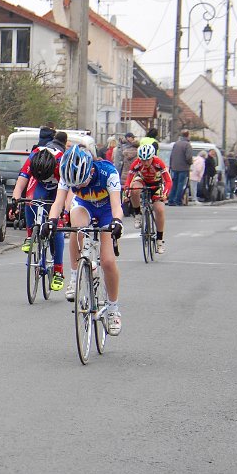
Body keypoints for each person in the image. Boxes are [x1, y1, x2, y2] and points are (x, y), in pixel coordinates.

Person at [41, 145, 124, 336]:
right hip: (84, 206)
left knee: (108, 261)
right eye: (74, 185)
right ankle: (74, 276)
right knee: (76, 227)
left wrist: (117, 221)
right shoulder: (66, 174)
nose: (78, 187)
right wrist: (51, 221)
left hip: (106, 211)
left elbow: (116, 206)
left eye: (81, 183)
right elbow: (58, 203)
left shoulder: (108, 172)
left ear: (91, 170)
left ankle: (113, 309)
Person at [12, 146, 66, 290]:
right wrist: (15, 202)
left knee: (57, 228)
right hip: (39, 185)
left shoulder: (61, 163)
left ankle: (58, 271)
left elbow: (67, 192)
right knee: (30, 200)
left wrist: (64, 211)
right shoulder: (33, 158)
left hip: (58, 188)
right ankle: (31, 235)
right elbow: (20, 183)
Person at [124, 144, 172, 254]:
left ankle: (159, 240)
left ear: (152, 157)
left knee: (159, 209)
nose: (145, 163)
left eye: (147, 160)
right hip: (143, 181)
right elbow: (128, 181)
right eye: (142, 160)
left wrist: (165, 193)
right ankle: (138, 214)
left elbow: (168, 181)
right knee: (134, 189)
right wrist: (126, 193)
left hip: (156, 184)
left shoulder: (158, 163)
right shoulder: (136, 163)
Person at [168, 129, 193, 206]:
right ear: (187, 135)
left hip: (174, 167)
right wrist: (190, 163)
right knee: (181, 184)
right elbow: (188, 157)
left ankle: (171, 200)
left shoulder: (176, 144)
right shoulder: (187, 145)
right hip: (183, 167)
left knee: (174, 184)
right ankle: (178, 200)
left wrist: (171, 166)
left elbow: (171, 156)